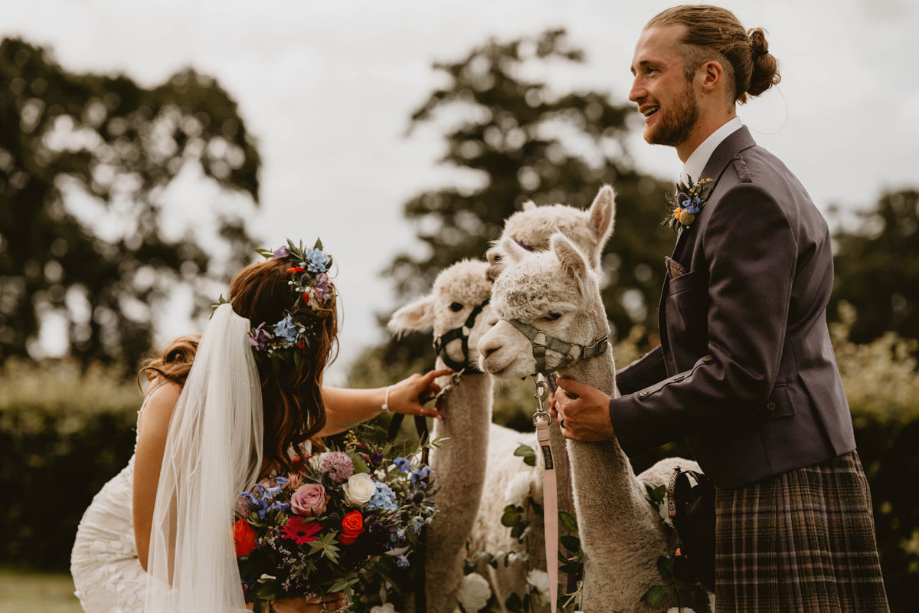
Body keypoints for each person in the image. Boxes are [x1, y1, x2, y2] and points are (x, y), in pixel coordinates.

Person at [551, 5, 889, 612]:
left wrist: (621, 419)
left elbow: (741, 372)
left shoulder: (746, 197)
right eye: (634, 72)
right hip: (765, 475)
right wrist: (597, 388)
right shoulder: (727, 186)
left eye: (651, 71)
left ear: (709, 75)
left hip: (784, 482)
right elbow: (699, 347)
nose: (634, 91)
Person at [71, 242, 449, 613]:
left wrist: (390, 397)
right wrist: (265, 603)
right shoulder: (172, 401)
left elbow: (318, 405)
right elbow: (155, 549)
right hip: (128, 555)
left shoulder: (275, 393)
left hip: (208, 555)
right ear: (294, 349)